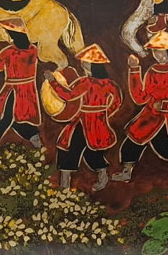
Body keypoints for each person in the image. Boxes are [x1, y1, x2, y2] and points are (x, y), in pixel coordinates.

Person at [112, 31, 168, 183]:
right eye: (155, 51)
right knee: (141, 142)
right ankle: (127, 172)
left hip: (163, 117)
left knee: (153, 144)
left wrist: (163, 105)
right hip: (148, 115)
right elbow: (140, 97)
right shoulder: (152, 71)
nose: (157, 55)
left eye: (161, 51)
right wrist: (134, 70)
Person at [45, 44, 122, 192]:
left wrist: (53, 81)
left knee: (75, 149)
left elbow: (68, 95)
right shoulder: (111, 85)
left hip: (84, 121)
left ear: (92, 65)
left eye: (85, 62)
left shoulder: (86, 83)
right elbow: (116, 103)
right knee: (78, 148)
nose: (82, 64)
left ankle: (70, 183)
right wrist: (103, 114)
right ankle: (68, 183)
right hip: (97, 123)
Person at [0, 17, 42, 152]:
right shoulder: (33, 50)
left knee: (0, 116)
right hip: (28, 91)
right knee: (21, 119)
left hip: (13, 90)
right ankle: (38, 146)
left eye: (7, 32)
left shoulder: (9, 52)